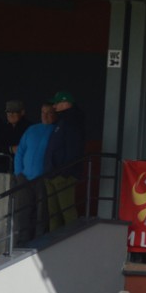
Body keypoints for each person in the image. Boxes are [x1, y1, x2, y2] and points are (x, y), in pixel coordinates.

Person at [13, 102, 57, 242]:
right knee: (23, 212)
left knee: (42, 213)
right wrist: (18, 173)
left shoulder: (56, 131)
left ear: (54, 114)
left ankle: (39, 242)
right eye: (43, 112)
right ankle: (23, 241)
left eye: (49, 113)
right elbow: (20, 152)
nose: (45, 115)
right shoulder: (32, 129)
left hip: (44, 178)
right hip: (25, 178)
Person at [43, 91, 86, 230]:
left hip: (63, 175)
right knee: (54, 214)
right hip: (53, 174)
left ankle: (73, 239)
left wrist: (64, 173)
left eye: (57, 103)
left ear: (66, 103)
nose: (54, 106)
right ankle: (53, 240)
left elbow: (74, 149)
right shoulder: (62, 121)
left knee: (67, 211)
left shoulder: (73, 120)